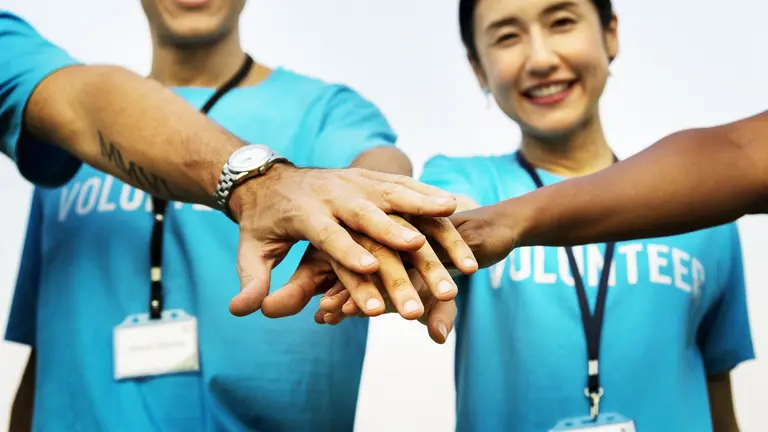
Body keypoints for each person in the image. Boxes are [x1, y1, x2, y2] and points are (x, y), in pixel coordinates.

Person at [5, 2, 475, 431]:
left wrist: (386, 206)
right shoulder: (63, 130)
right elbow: (42, 344)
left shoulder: (324, 110)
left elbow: (376, 163)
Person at [307, 0, 754, 430]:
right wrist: (437, 229)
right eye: (507, 36)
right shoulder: (465, 177)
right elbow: (454, 208)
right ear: (478, 68)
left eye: (561, 21)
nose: (540, 59)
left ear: (610, 33)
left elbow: (716, 387)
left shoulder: (698, 206)